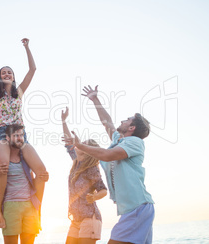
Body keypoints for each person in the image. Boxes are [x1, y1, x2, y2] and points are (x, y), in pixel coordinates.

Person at [64, 85, 155, 244]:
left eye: (127, 120)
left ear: (132, 128)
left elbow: (107, 155)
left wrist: (81, 145)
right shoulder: (118, 141)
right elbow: (107, 122)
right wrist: (95, 99)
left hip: (138, 208)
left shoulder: (135, 142)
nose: (122, 120)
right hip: (133, 210)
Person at [0, 38, 47, 228]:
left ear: (13, 76)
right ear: (0, 78)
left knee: (41, 171)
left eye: (9, 72)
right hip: (3, 133)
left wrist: (27, 47)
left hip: (19, 133)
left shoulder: (19, 91)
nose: (7, 74)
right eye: (3, 73)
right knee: (3, 165)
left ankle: (37, 208)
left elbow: (32, 70)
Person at [0, 124, 48, 244]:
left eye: (21, 135)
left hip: (30, 206)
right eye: (16, 135)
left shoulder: (27, 158)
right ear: (7, 138)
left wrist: (43, 177)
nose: (20, 138)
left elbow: (33, 183)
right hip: (10, 206)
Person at [61, 107, 108, 244]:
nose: (79, 145)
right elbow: (69, 142)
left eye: (84, 144)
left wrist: (94, 196)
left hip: (89, 218)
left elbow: (103, 190)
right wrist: (63, 121)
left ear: (88, 152)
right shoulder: (77, 163)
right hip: (76, 219)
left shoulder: (91, 169)